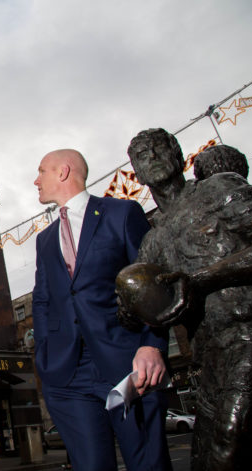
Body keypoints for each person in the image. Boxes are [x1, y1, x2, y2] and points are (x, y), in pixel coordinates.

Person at [121, 130, 252, 471]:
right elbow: (140, 313)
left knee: (226, 451)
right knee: (204, 460)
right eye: (143, 155)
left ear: (179, 155)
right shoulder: (152, 242)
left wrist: (203, 278)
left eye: (161, 147)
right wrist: (131, 302)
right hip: (207, 362)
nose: (154, 156)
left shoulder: (219, 190)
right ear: (137, 173)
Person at [31, 148, 171, 471]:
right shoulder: (45, 240)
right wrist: (44, 353)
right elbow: (43, 300)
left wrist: (152, 344)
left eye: (41, 171)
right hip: (68, 375)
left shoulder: (122, 214)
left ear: (63, 172)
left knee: (149, 464)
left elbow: (154, 281)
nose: (35, 180)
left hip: (127, 365)